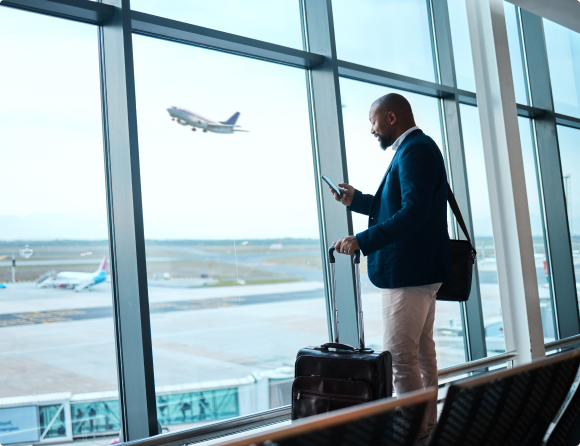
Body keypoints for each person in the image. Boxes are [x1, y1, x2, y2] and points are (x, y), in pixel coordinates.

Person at [331, 93, 452, 444]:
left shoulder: (414, 150)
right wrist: (358, 201)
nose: (371, 129)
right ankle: (427, 426)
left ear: (392, 118)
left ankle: (413, 433)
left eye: (373, 120)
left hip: (409, 272)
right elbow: (396, 206)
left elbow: (413, 214)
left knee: (400, 356)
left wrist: (362, 240)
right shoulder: (417, 148)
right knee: (422, 352)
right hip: (422, 270)